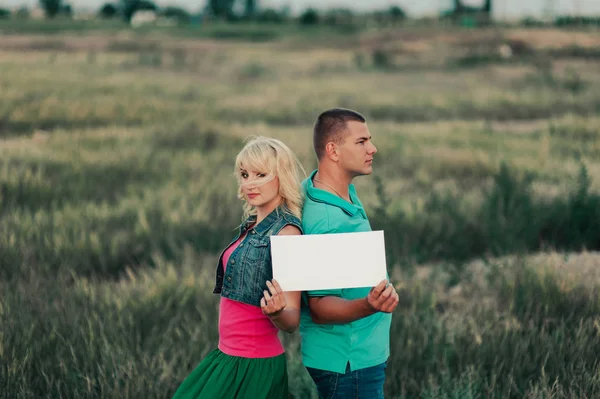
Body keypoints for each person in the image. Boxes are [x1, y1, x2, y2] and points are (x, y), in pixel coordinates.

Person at [172, 136, 304, 399]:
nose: (249, 183)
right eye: (244, 174)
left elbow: (291, 320)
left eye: (260, 174)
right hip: (227, 355)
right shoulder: (251, 225)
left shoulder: (287, 234)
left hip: (253, 365)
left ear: (281, 176)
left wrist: (277, 312)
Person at [299, 108, 399, 399]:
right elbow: (320, 306)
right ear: (333, 150)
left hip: (357, 356)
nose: (373, 148)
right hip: (349, 361)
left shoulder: (335, 189)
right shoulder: (326, 221)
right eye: (361, 141)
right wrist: (371, 305)